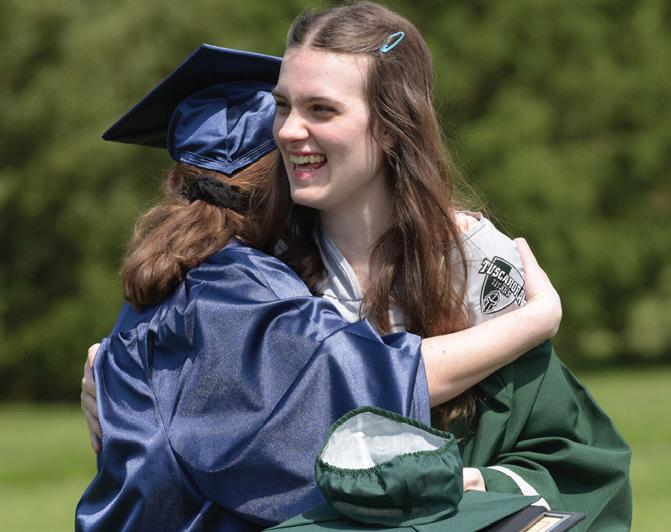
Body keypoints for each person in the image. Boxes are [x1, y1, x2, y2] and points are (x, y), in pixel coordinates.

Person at [77, 44, 563, 530]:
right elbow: (371, 381)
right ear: (278, 184)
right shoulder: (241, 283)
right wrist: (536, 320)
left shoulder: (167, 281)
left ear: (174, 181)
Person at [256, 0, 631, 529]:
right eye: (282, 106)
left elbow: (571, 460)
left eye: (321, 109)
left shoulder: (474, 265)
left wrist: (481, 485)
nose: (290, 130)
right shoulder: (259, 272)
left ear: (391, 125)